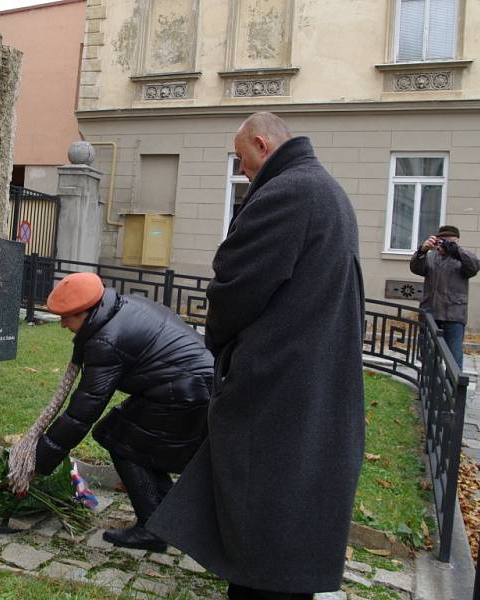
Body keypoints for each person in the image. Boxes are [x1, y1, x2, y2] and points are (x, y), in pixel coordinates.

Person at [147, 112, 366, 599]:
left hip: (277, 395)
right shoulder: (322, 188)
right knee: (281, 542)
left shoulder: (288, 192)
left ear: (263, 145)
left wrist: (222, 346)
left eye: (244, 163)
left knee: (262, 547)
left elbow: (235, 286)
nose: (243, 173)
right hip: (306, 388)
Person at [34, 272, 214, 552]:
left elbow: (83, 410)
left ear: (85, 312)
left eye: (66, 317)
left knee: (121, 439)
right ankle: (168, 518)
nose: (62, 325)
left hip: (185, 392)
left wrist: (39, 460)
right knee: (130, 437)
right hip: (190, 386)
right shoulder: (118, 308)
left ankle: (151, 528)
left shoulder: (106, 340)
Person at [410, 225, 480, 369]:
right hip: (430, 314)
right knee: (428, 357)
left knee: (453, 359)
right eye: (442, 241)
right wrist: (422, 250)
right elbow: (415, 268)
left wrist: (456, 251)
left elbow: (475, 266)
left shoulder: (463, 259)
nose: (445, 245)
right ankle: (430, 390)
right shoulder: (430, 257)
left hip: (454, 316)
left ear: (457, 242)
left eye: (450, 242)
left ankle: (454, 391)